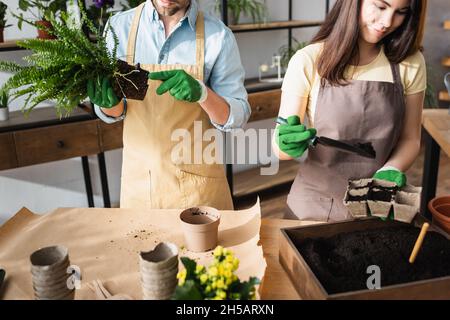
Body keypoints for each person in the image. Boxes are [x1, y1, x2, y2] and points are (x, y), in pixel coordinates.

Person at [87, 0, 250, 210]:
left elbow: (238, 115)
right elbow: (118, 110)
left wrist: (203, 93)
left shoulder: (218, 35)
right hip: (138, 187)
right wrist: (108, 104)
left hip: (198, 192)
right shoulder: (119, 28)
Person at [273, 0, 427, 221]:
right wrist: (285, 143)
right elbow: (281, 149)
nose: (387, 22)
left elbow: (411, 139)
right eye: (381, 6)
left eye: (400, 12)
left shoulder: (410, 63)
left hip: (378, 200)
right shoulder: (308, 60)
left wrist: (390, 170)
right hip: (315, 202)